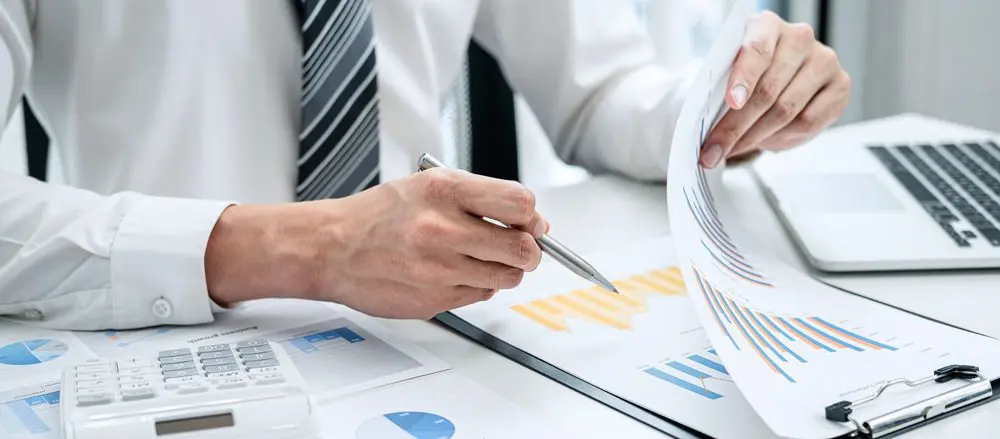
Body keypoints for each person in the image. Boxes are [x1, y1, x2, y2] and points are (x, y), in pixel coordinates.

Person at [0, 1, 849, 330]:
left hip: (412, 348)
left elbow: (599, 92)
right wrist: (314, 248)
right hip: (149, 349)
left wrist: (735, 98)